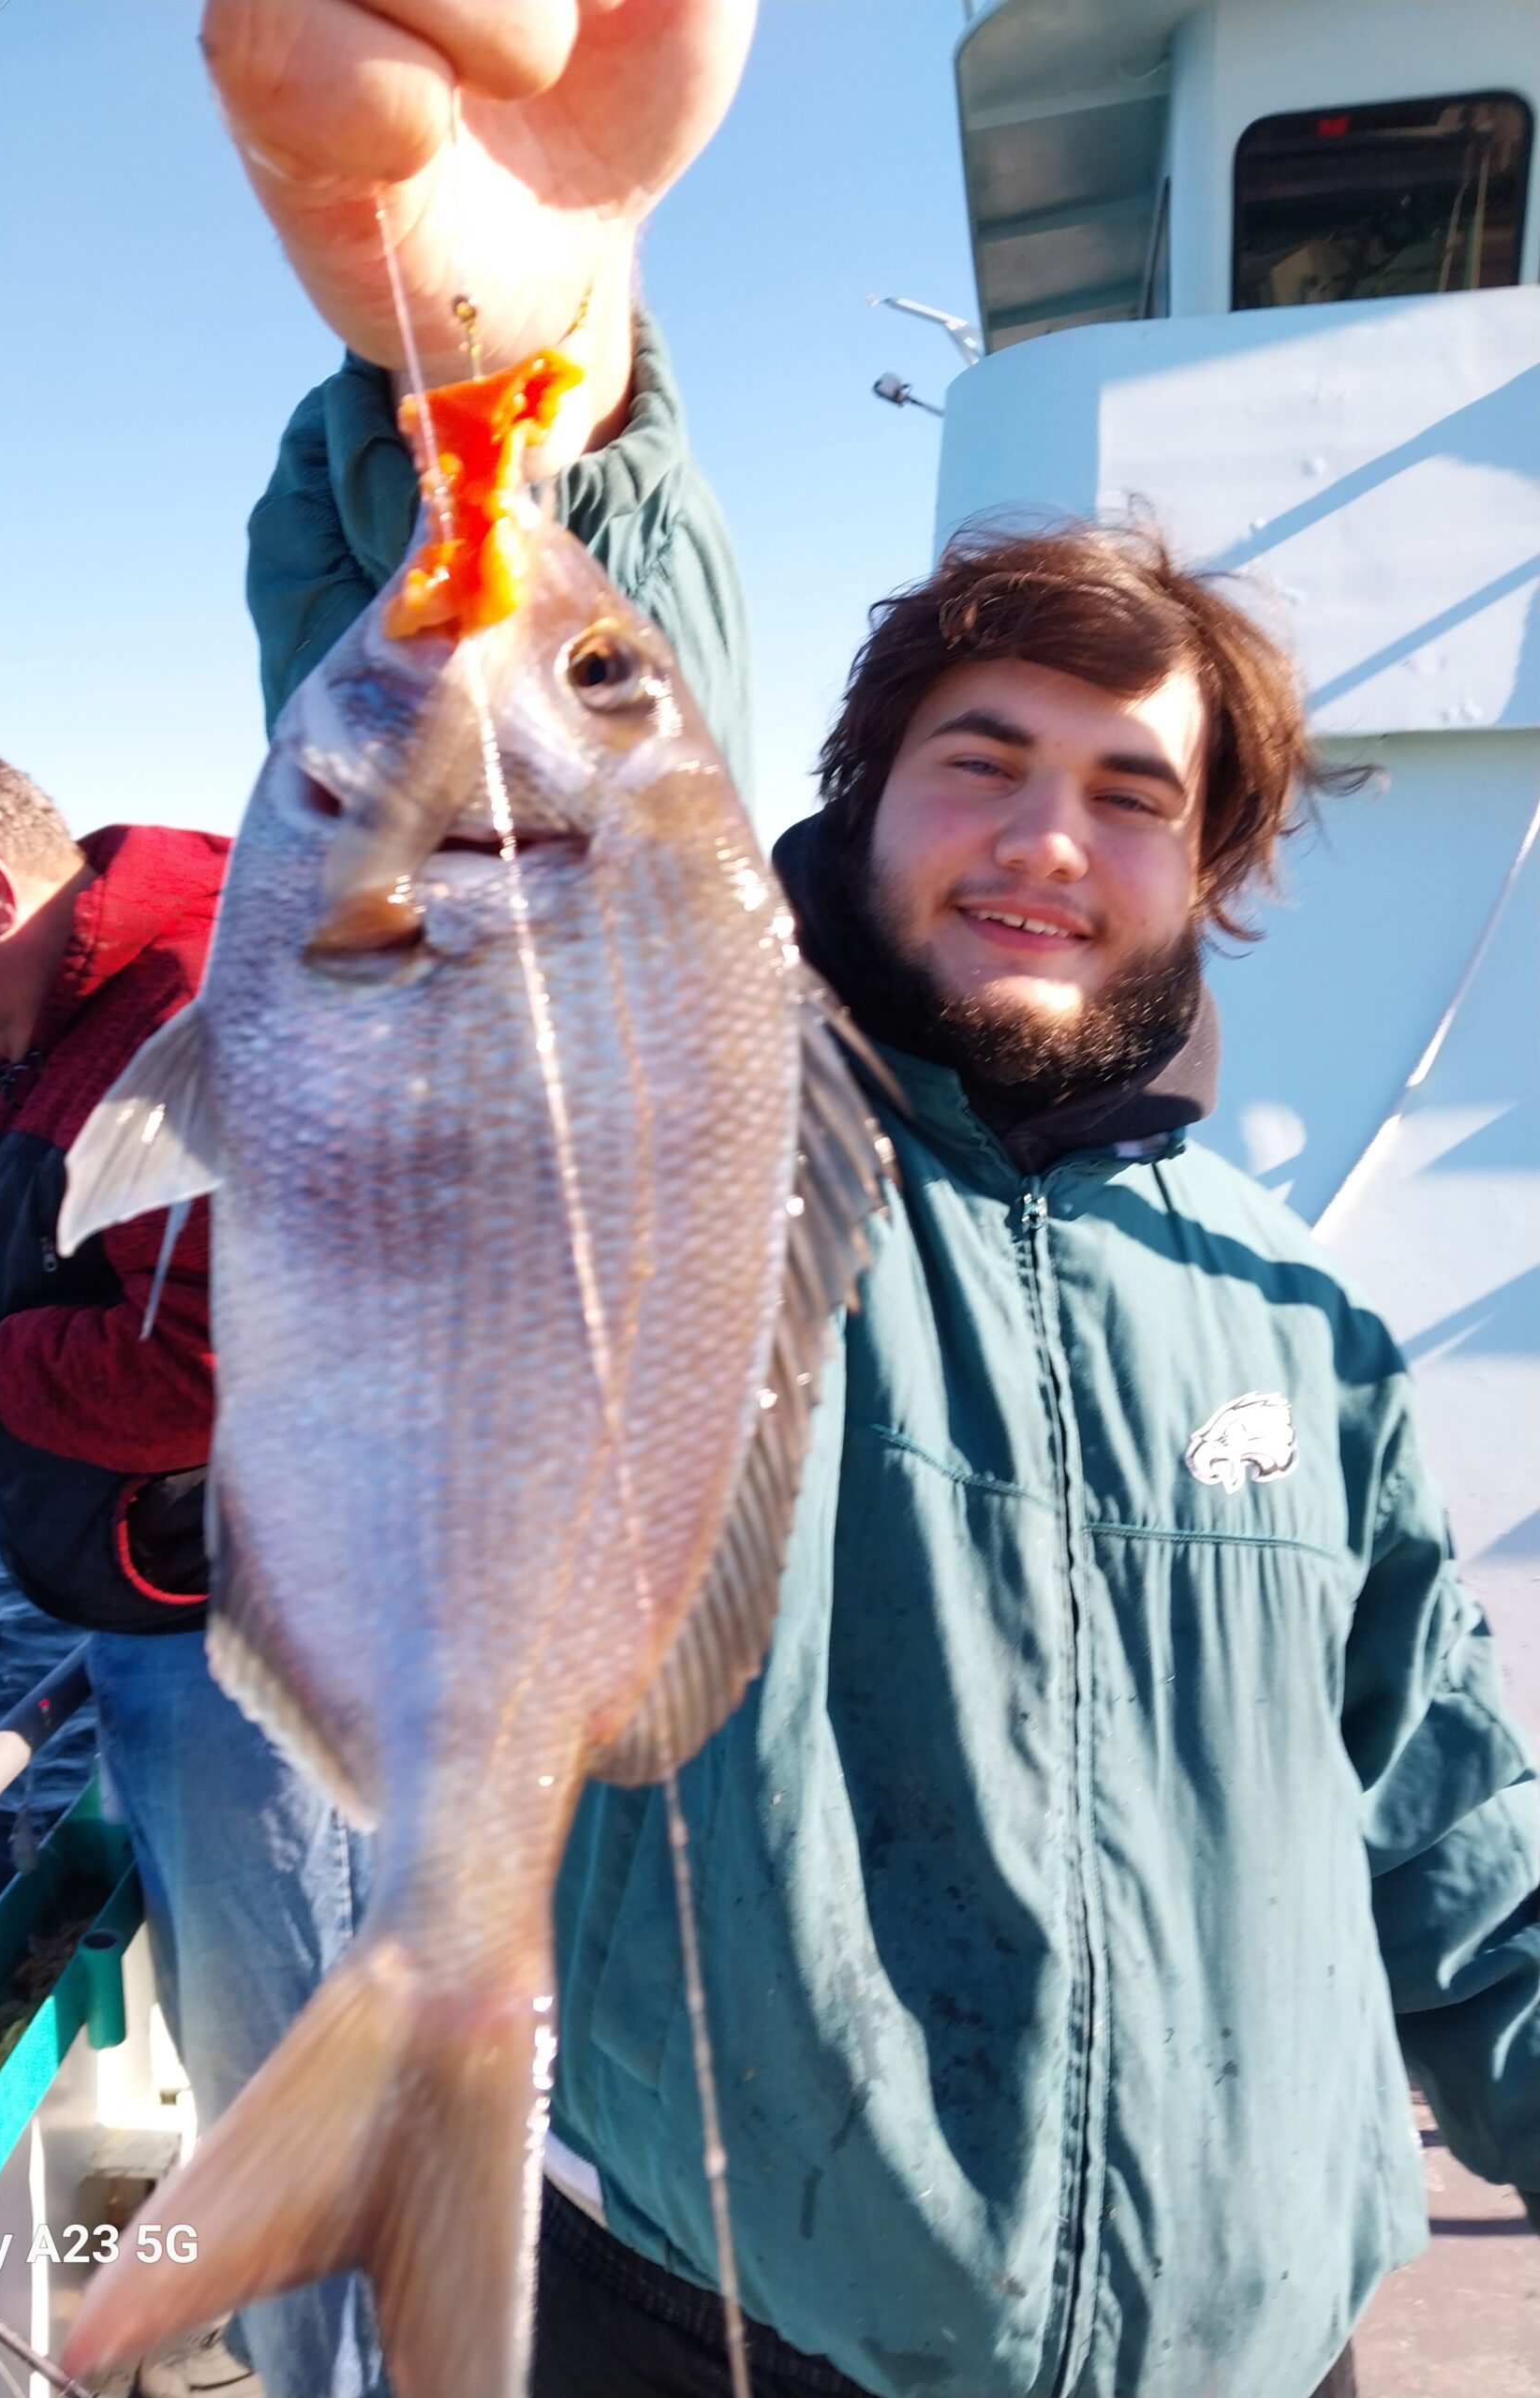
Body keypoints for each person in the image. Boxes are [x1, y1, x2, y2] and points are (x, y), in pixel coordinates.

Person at [212, 6, 1540, 2397]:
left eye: (1132, 793)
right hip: (737, 2324)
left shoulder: (1300, 1323)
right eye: (980, 760)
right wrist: (535, 356)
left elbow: (1446, 1833)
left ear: (1212, 871)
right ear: (851, 801)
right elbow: (555, 711)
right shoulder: (713, 1138)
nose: (1046, 837)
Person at [0, 737, 387, 2398]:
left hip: (258, 1645)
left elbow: (214, 1363)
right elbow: (38, 1247)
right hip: (163, 1627)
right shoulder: (53, 1020)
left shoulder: (202, 1011)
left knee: (292, 2079)